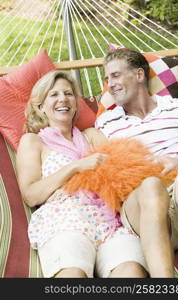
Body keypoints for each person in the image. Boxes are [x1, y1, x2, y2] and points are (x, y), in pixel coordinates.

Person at [16, 70, 148, 278]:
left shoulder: (93, 136)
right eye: (54, 94)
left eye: (69, 94)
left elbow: (118, 175)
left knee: (132, 271)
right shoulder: (34, 142)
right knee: (73, 275)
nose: (63, 99)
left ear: (76, 104)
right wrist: (77, 167)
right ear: (40, 106)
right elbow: (32, 194)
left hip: (109, 220)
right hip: (65, 220)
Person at [95, 48, 178, 277]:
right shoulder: (106, 123)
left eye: (115, 75)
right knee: (152, 186)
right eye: (107, 79)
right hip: (141, 209)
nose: (110, 84)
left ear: (139, 75)